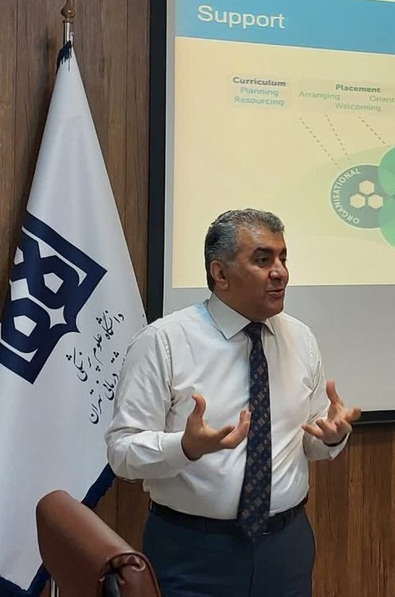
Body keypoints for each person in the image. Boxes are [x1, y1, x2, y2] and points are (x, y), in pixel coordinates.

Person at [106, 209, 360, 597]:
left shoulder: (301, 339)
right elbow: (122, 453)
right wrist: (184, 447)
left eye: (283, 258)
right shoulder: (163, 342)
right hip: (192, 550)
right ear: (220, 274)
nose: (280, 272)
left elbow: (308, 439)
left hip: (286, 546)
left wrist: (330, 436)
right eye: (263, 260)